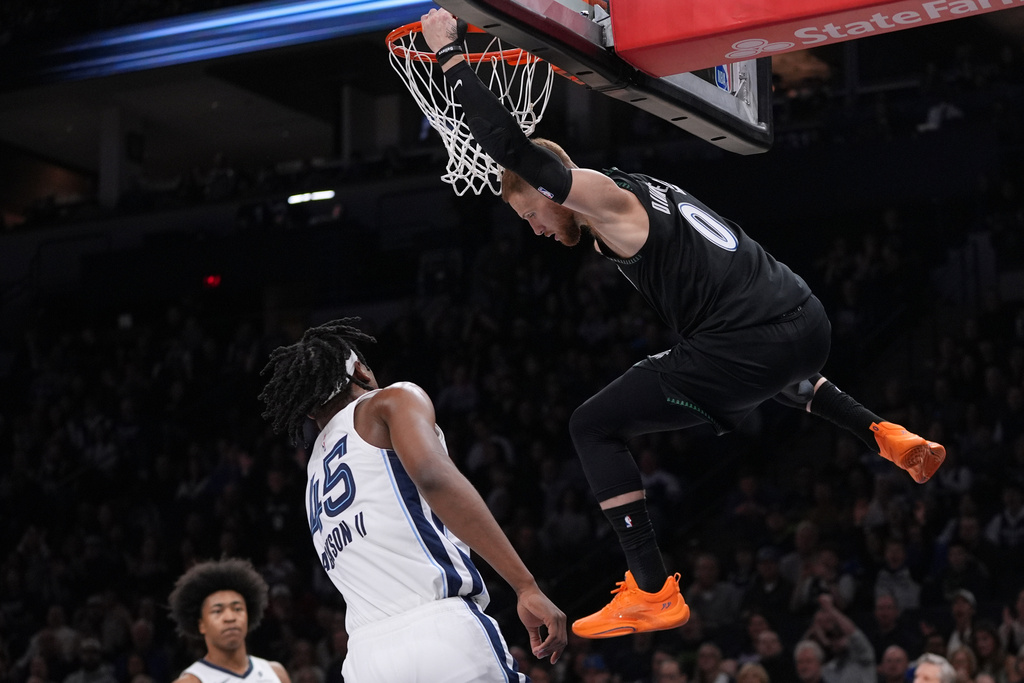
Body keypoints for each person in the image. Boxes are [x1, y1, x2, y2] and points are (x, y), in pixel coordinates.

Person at [420, 6, 947, 639]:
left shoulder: (604, 199)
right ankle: (886, 434)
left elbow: (509, 148)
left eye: (530, 211)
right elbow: (766, 355)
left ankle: (650, 588)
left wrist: (450, 53)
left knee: (592, 425)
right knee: (761, 372)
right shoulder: (645, 192)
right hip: (806, 324)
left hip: (749, 337)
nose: (531, 227)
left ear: (552, 191)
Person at [257, 318, 566, 680]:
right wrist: (525, 585)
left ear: (309, 409)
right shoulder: (389, 400)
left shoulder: (312, 472)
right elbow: (433, 478)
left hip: (364, 659)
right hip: (438, 631)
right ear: (360, 370)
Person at [167, 558, 292, 683]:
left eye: (237, 609)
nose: (230, 618)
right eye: (217, 611)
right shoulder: (191, 680)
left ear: (248, 616)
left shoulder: (276, 672)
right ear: (201, 624)